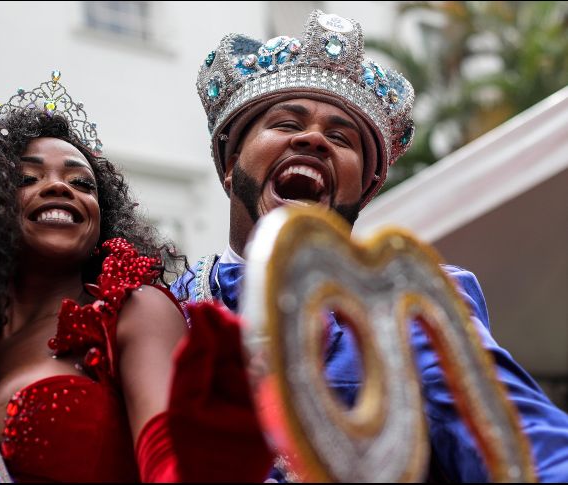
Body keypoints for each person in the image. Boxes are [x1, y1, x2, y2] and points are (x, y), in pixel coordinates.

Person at [173, 9, 568, 482]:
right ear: (231, 164)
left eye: (340, 137)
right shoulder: (166, 307)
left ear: (360, 191)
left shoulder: (410, 303)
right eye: (286, 123)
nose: (313, 139)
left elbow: (520, 438)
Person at [0, 76, 272, 482]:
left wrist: (215, 451)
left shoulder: (132, 311)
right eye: (26, 179)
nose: (59, 188)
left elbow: (167, 458)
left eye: (82, 182)